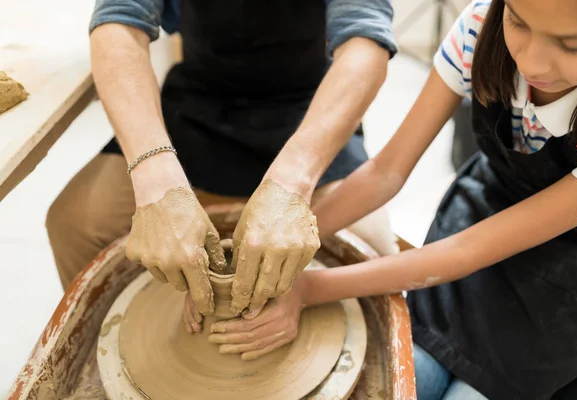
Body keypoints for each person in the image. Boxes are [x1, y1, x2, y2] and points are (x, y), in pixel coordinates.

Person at [200, 0, 577, 398]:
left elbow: (465, 252)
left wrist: (308, 289)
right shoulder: (481, 25)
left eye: (573, 45)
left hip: (572, 272)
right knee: (407, 382)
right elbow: (386, 172)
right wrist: (282, 249)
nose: (532, 63)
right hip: (488, 205)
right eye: (518, 21)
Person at [45, 0, 400, 317]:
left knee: (373, 248)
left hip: (306, 110)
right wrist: (156, 177)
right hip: (202, 101)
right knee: (77, 223)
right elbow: (117, 23)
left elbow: (365, 42)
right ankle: (114, 346)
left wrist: (292, 181)